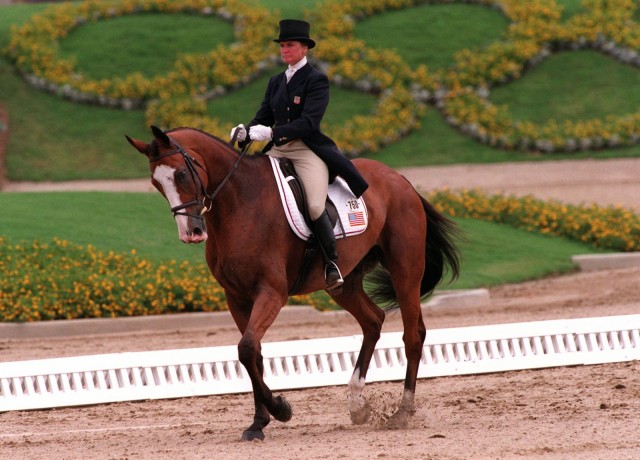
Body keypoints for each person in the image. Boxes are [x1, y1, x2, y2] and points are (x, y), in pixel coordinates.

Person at [231, 19, 369, 291]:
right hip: (278, 149)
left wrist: (270, 133)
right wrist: (245, 131)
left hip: (306, 149)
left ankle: (331, 263)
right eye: (282, 46)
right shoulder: (275, 82)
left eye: (290, 45)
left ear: (304, 48)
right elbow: (262, 117)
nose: (285, 50)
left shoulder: (316, 80)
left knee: (316, 206)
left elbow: (309, 122)